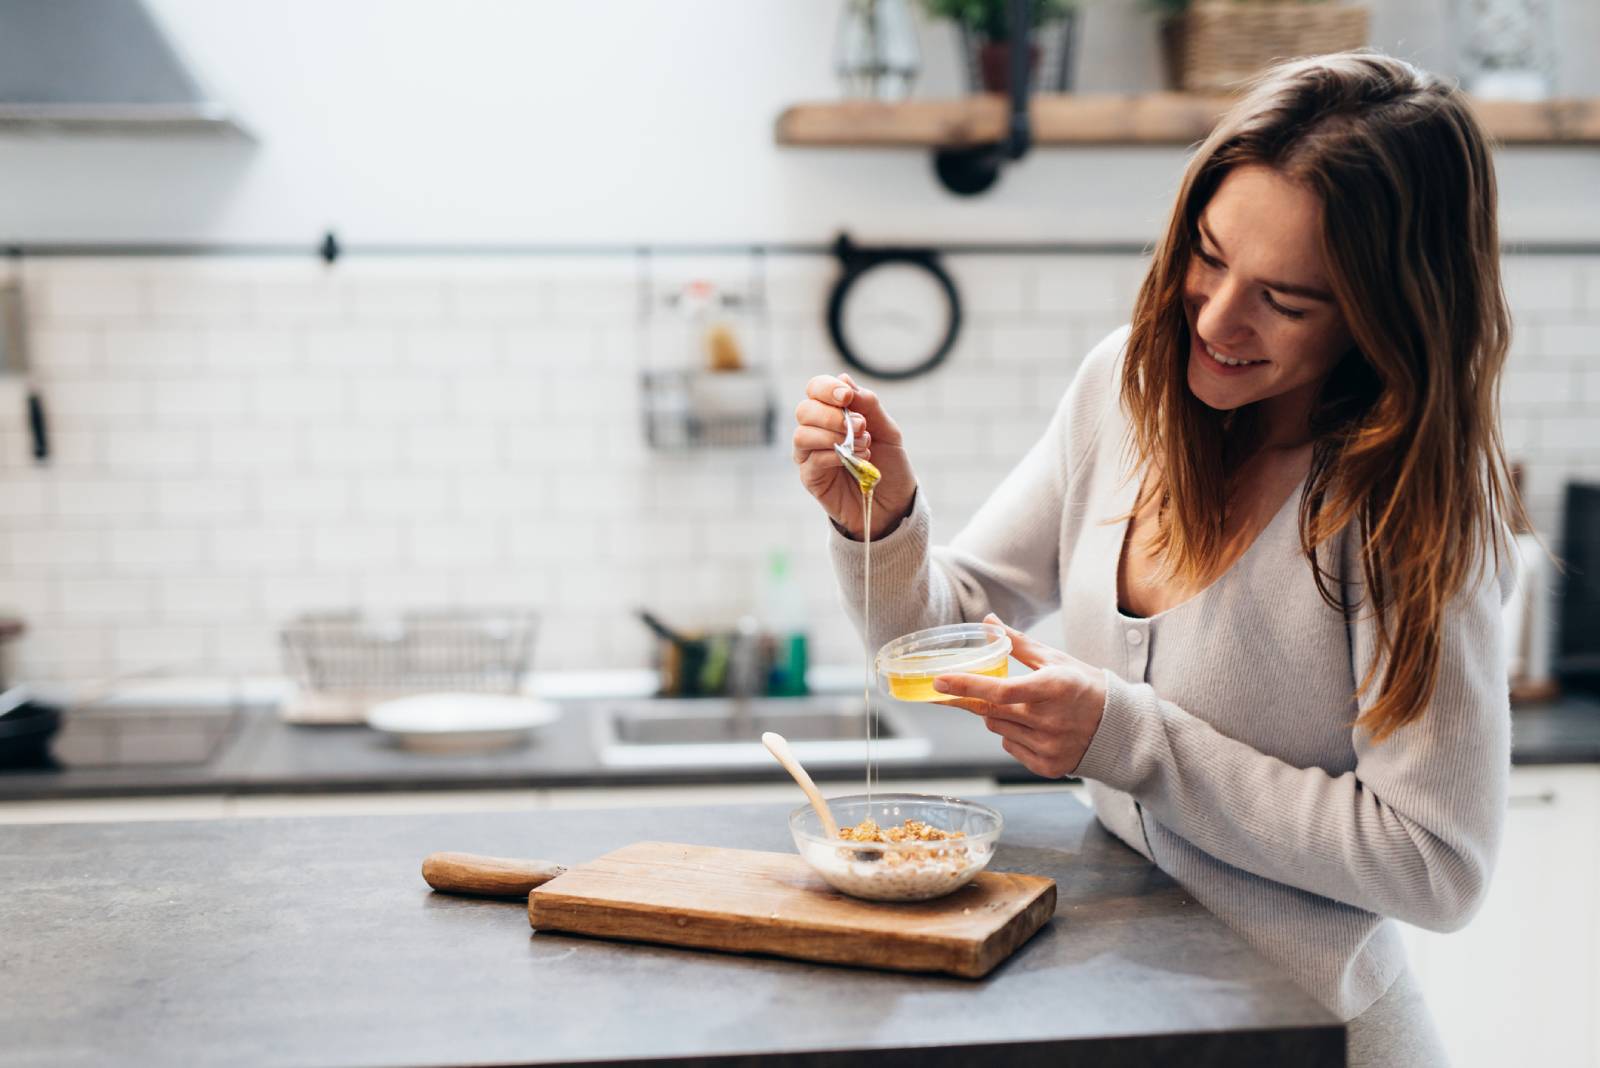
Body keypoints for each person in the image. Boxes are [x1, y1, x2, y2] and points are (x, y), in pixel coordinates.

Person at [792, 51, 1524, 1068]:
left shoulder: (1408, 506)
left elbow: (1437, 867)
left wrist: (1119, 734)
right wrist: (878, 516)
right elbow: (928, 641)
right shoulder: (1126, 392)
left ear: (1383, 312)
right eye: (1210, 257)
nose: (1218, 321)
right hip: (1134, 1009)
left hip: (1312, 1040)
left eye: (1288, 299)